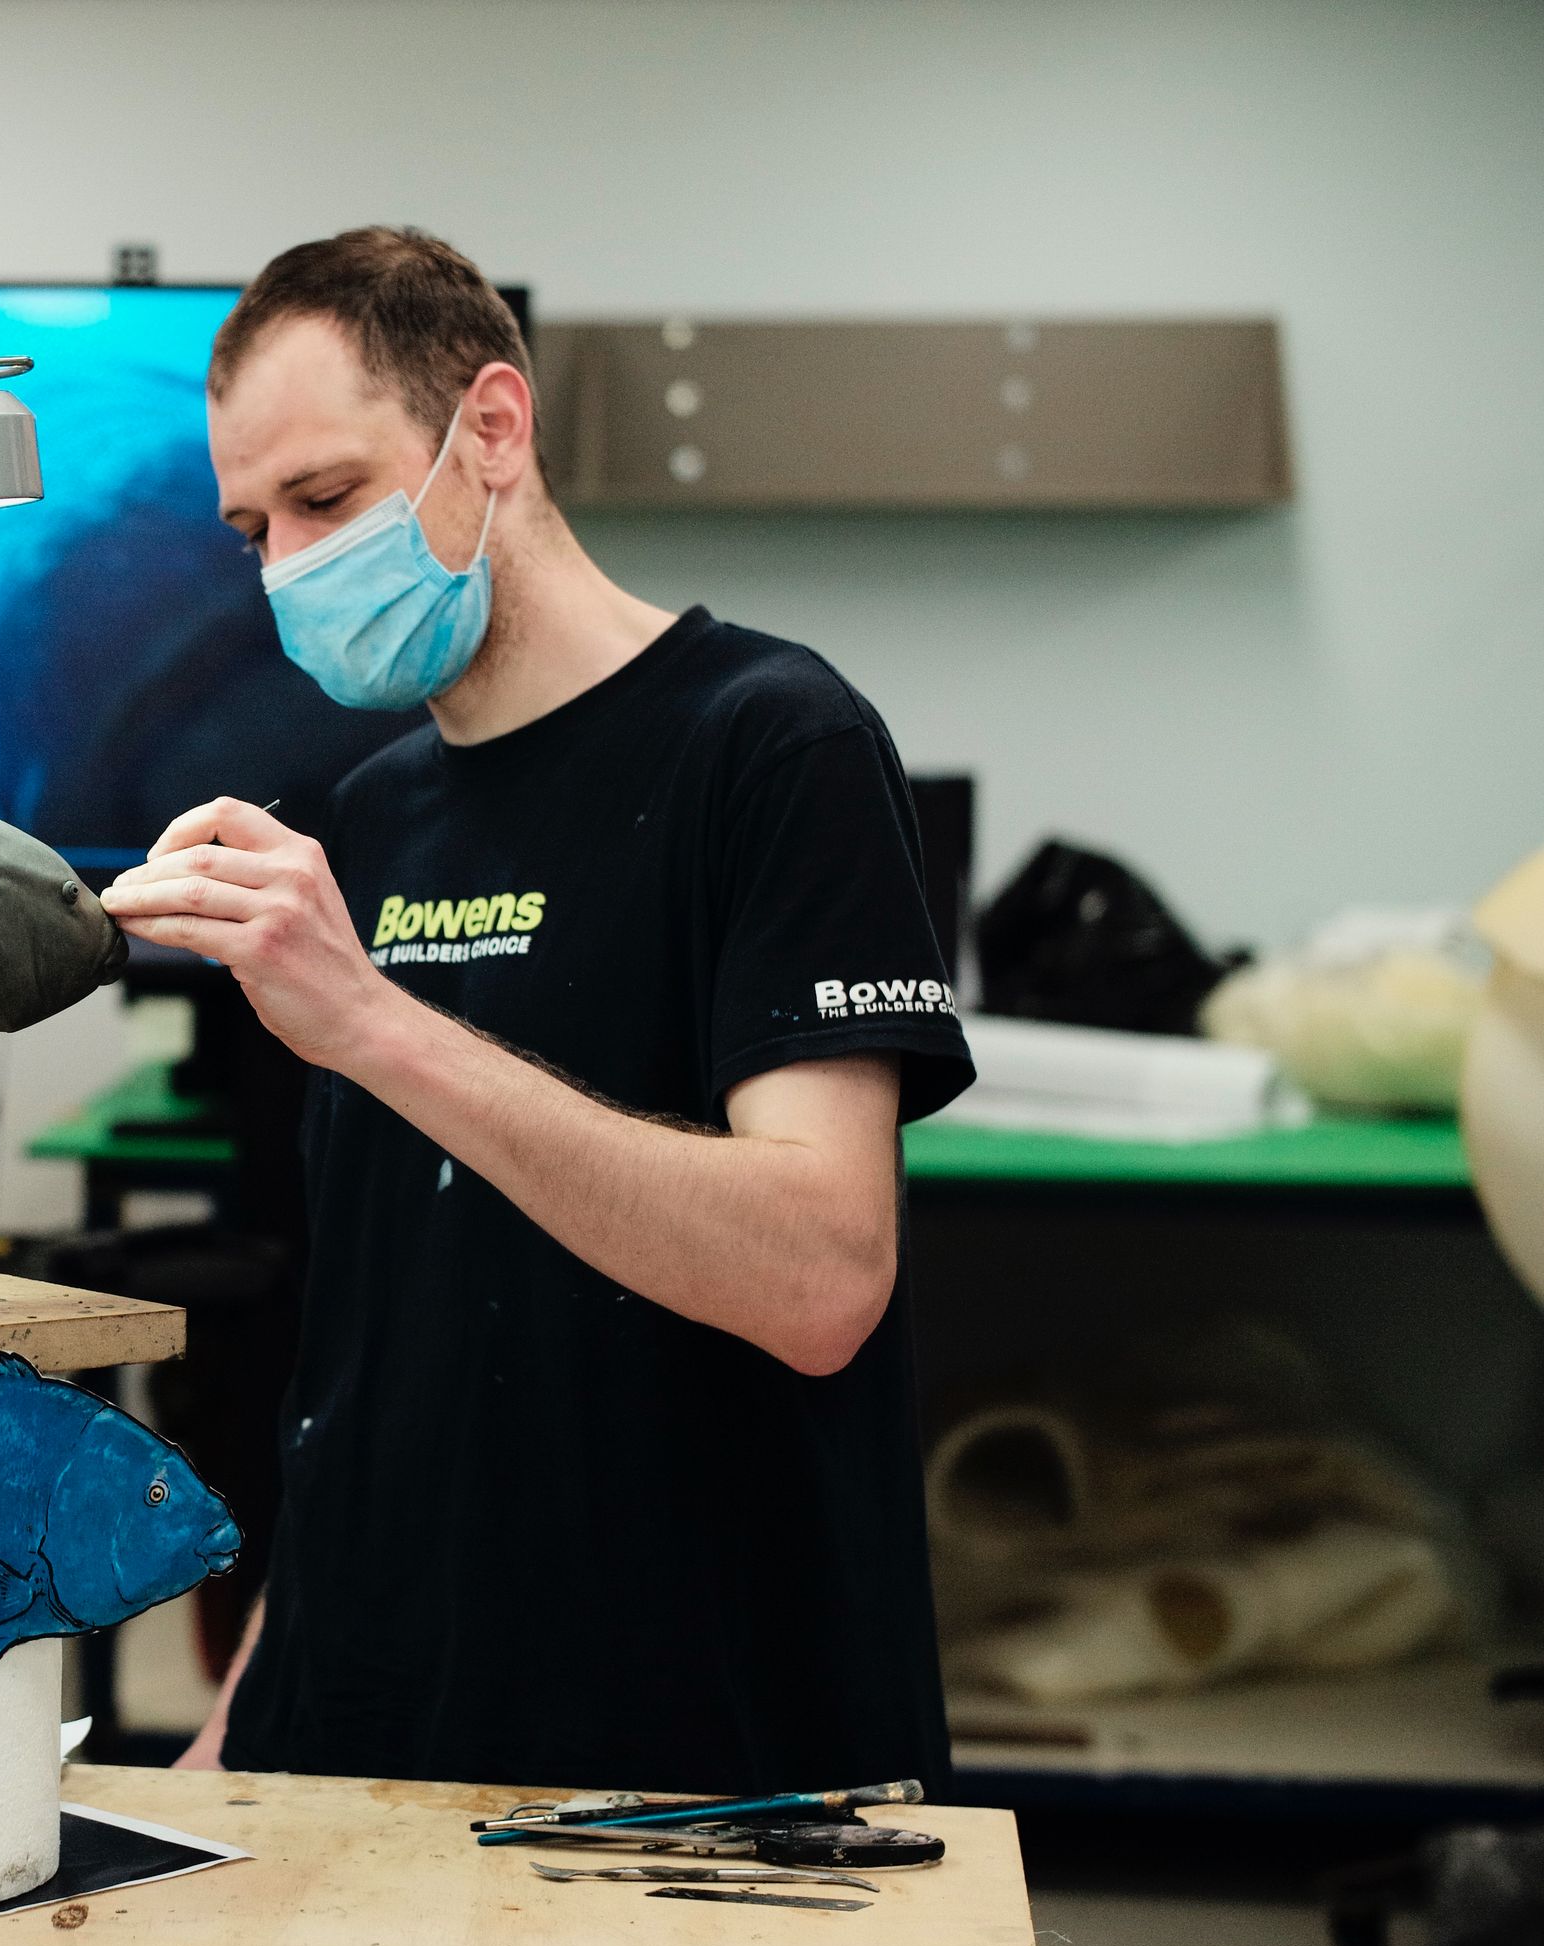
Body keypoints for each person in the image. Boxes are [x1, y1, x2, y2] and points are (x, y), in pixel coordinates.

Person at [100, 228, 975, 1794]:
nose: (288, 566)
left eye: (327, 499)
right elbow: (379, 1358)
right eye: (251, 529)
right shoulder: (365, 823)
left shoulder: (773, 748)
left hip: (699, 1763)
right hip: (376, 1747)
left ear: (490, 429)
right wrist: (240, 1735)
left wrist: (375, 1022)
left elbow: (824, 1275)